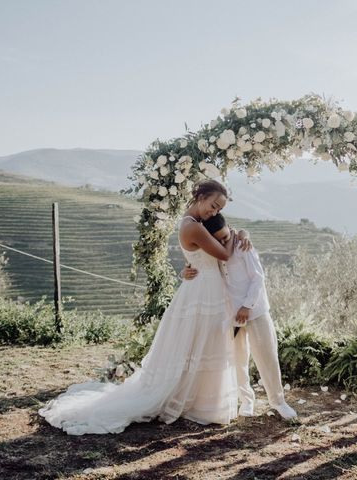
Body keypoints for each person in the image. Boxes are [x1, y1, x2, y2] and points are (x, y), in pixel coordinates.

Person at [39, 180, 239, 434]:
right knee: (200, 344)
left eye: (219, 209)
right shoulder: (193, 227)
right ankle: (196, 402)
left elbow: (203, 256)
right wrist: (236, 235)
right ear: (200, 197)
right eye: (213, 205)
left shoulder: (196, 224)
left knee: (203, 344)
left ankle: (200, 399)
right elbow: (224, 254)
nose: (215, 213)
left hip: (203, 287)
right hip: (204, 292)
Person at [182, 214, 297, 420]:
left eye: (225, 237)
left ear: (230, 228)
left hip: (255, 311)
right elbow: (198, 269)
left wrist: (247, 305)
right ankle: (246, 400)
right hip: (229, 314)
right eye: (218, 240)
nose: (224, 242)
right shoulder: (213, 252)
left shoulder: (244, 246)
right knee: (237, 359)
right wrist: (185, 272)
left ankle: (279, 402)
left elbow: (258, 278)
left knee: (266, 355)